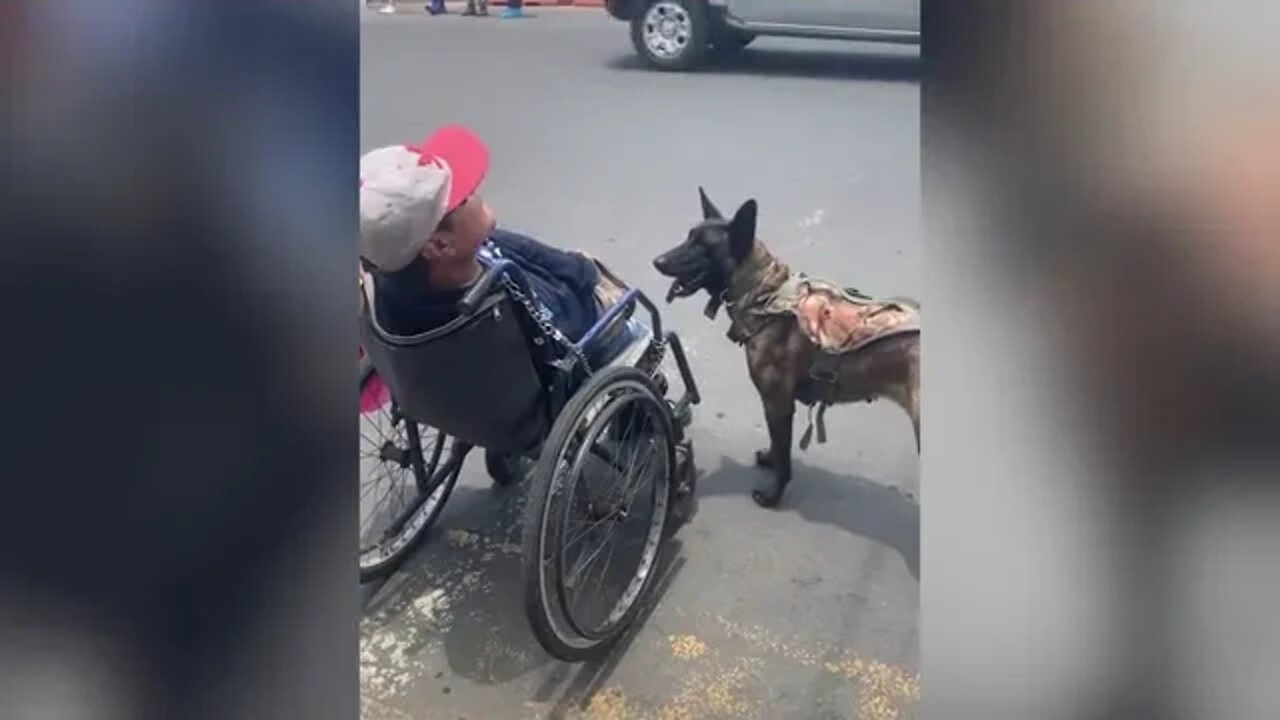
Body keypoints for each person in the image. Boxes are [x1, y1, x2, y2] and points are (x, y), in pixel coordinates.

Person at [359, 125, 638, 364]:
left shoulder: (389, 289)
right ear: (441, 246)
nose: (477, 193)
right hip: (571, 337)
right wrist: (585, 274)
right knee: (632, 328)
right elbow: (568, 327)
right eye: (466, 196)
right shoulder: (501, 306)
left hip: (460, 395)